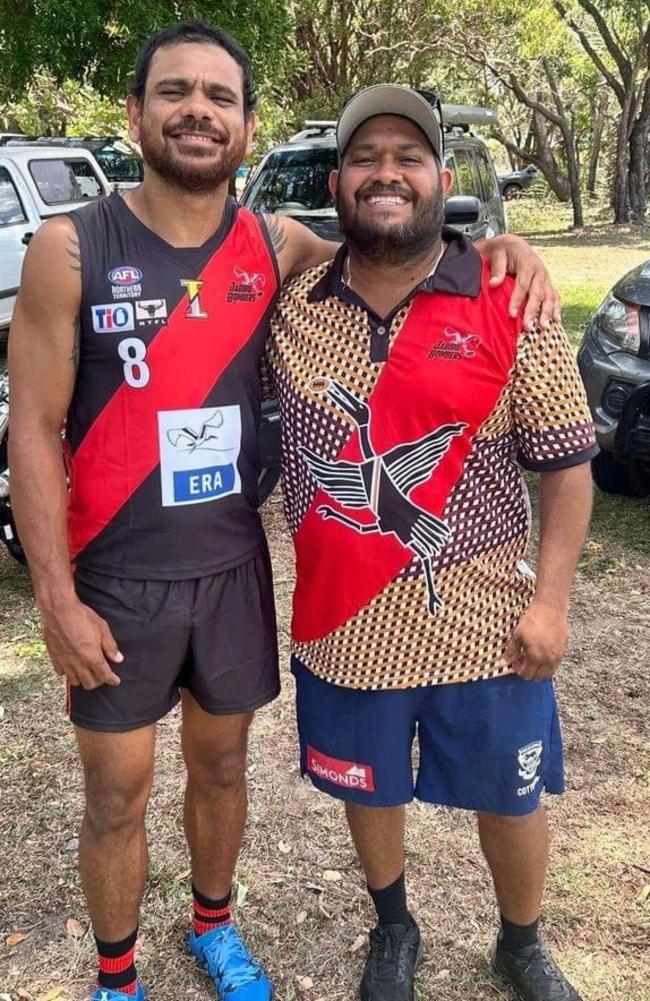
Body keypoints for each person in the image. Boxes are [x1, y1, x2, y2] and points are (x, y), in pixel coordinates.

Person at [9, 21, 558, 1001]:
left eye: (218, 98)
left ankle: (215, 927)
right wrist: (55, 595)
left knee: (222, 771)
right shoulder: (70, 247)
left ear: (247, 127)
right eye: (174, 92)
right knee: (114, 790)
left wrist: (500, 249)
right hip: (116, 574)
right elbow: (33, 430)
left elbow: (396, 243)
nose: (196, 111)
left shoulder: (275, 245)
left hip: (229, 569)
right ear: (134, 114)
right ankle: (115, 974)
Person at [267, 84, 596, 1001]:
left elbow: (567, 465)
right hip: (344, 622)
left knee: (510, 791)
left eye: (406, 158)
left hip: (487, 624)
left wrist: (553, 602)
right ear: (337, 182)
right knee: (369, 787)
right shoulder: (292, 307)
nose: (386, 173)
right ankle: (394, 924)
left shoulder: (504, 296)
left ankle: (522, 941)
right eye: (366, 157)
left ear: (440, 179)